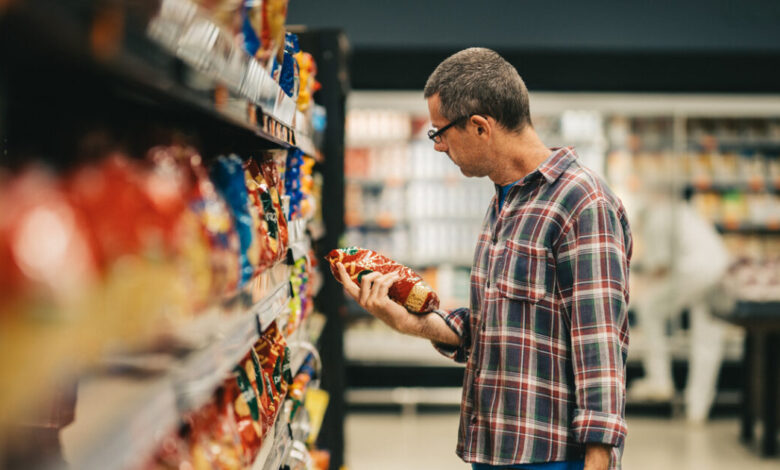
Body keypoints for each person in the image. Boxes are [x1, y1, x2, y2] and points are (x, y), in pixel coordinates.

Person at [334, 48, 632, 470]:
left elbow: (599, 342)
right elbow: (491, 328)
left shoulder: (582, 202)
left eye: (439, 132)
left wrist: (599, 459)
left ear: (479, 127)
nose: (438, 147)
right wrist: (406, 320)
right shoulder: (504, 202)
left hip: (550, 458)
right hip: (495, 449)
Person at [627, 195, 730, 423]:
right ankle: (697, 410)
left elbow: (660, 267)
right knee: (708, 341)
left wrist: (636, 283)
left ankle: (660, 379)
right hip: (720, 268)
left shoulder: (654, 218)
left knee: (650, 308)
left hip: (694, 270)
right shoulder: (680, 210)